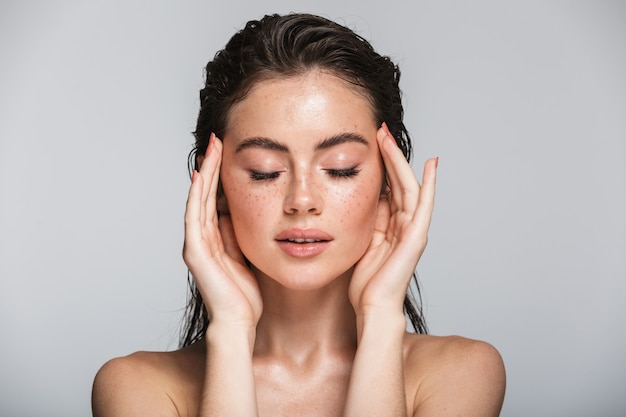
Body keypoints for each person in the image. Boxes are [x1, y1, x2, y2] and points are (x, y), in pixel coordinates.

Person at [92, 13, 506, 417]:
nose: (302, 200)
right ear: (214, 186)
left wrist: (380, 317)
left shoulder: (461, 372)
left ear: (388, 183)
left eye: (341, 167)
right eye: (265, 171)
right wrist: (232, 332)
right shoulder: (136, 387)